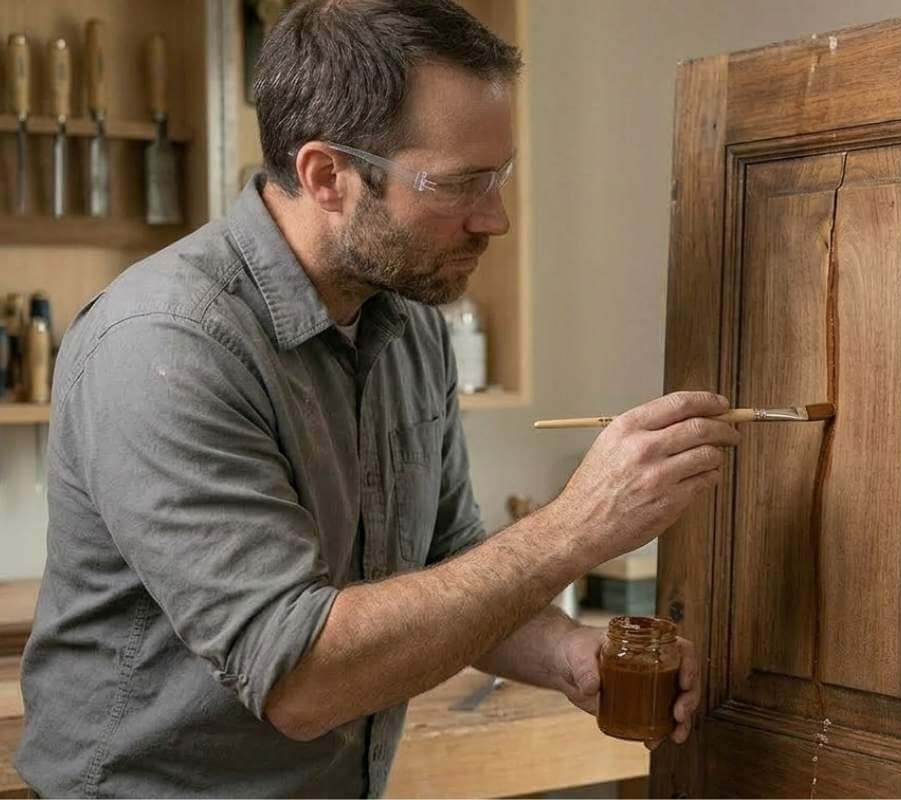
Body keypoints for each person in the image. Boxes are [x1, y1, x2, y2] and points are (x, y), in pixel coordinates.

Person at [15, 1, 739, 796]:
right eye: (459, 184)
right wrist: (577, 527)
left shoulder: (405, 319)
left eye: (498, 176)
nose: (494, 218)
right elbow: (299, 680)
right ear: (327, 176)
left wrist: (569, 654)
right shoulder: (164, 341)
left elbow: (451, 568)